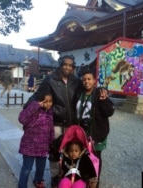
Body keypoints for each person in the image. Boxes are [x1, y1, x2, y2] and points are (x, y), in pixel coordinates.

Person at [24, 55, 83, 186]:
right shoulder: (50, 80)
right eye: (65, 64)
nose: (68, 67)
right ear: (60, 65)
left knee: (70, 150)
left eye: (70, 65)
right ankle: (55, 176)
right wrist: (27, 106)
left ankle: (68, 174)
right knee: (54, 151)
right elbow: (38, 95)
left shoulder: (76, 81)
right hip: (55, 121)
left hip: (71, 122)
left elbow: (86, 91)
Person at [75, 69, 114, 187]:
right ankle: (83, 181)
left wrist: (104, 101)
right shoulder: (78, 93)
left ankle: (94, 183)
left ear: (94, 80)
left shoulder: (99, 94)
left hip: (96, 133)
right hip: (81, 132)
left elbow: (109, 112)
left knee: (95, 159)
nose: (86, 82)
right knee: (82, 158)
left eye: (89, 79)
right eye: (84, 79)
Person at [18, 86, 54, 188]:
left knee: (41, 167)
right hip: (29, 146)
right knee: (27, 168)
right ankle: (22, 185)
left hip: (43, 147)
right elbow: (21, 118)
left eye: (50, 101)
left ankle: (38, 181)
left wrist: (51, 143)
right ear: (39, 100)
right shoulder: (34, 111)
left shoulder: (50, 113)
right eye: (45, 101)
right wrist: (35, 106)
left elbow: (51, 130)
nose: (48, 104)